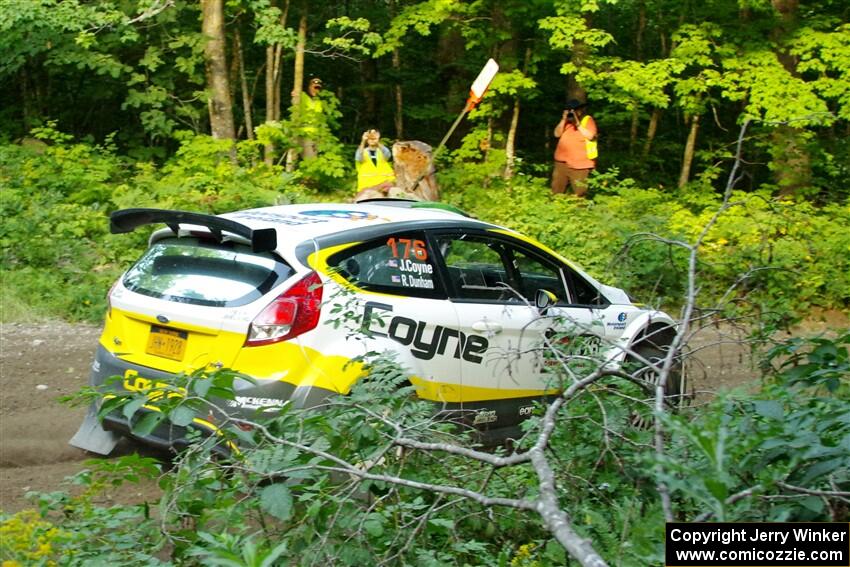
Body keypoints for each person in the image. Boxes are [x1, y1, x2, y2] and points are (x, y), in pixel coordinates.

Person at [551, 99, 598, 197]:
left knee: (580, 192)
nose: (574, 113)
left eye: (576, 110)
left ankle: (580, 211)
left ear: (580, 110)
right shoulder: (566, 122)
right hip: (561, 162)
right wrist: (563, 119)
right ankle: (556, 209)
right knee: (556, 191)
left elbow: (590, 136)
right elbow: (556, 134)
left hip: (580, 164)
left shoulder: (587, 120)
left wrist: (577, 124)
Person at [299, 77, 324, 159]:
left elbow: (320, 120)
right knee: (309, 159)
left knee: (315, 159)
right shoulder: (302, 96)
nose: (316, 90)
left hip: (316, 135)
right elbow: (294, 99)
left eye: (318, 88)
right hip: (305, 133)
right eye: (314, 87)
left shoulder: (319, 102)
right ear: (309, 87)